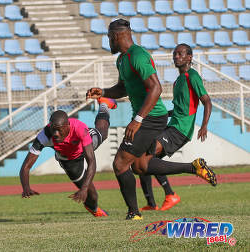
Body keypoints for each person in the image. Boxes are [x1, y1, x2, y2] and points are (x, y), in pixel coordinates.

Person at [86, 19, 216, 220]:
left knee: (120, 164)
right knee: (140, 166)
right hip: (148, 118)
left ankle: (134, 213)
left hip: (151, 118)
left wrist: (138, 119)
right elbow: (122, 88)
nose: (108, 41)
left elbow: (156, 88)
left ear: (118, 35)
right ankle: (192, 168)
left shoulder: (138, 55)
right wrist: (103, 91)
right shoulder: (122, 60)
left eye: (109, 37)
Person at [139, 43, 213, 212]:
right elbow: (180, 108)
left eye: (180, 54)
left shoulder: (192, 76)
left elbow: (207, 101)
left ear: (189, 57)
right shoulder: (177, 81)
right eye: (174, 54)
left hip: (181, 130)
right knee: (143, 159)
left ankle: (171, 193)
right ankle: (152, 203)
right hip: (173, 126)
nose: (176, 57)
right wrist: (160, 115)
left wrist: (204, 125)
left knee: (147, 153)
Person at [20, 97, 116, 217]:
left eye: (59, 130)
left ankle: (104, 104)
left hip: (85, 146)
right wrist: (26, 187)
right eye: (53, 130)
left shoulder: (80, 129)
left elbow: (91, 162)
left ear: (67, 126)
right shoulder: (44, 135)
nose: (55, 134)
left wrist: (84, 188)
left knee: (103, 133)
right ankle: (93, 208)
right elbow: (26, 166)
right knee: (93, 196)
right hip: (69, 161)